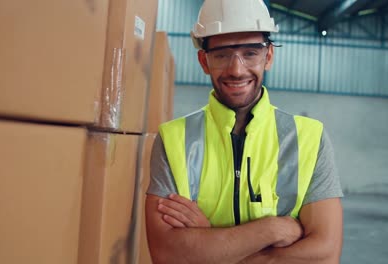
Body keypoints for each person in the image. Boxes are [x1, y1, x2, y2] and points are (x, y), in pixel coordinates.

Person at [145, 0, 343, 263]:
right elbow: (167, 254)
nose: (236, 70)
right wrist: (271, 230)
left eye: (250, 53)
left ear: (268, 56)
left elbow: (324, 256)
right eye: (222, 55)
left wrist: (211, 243)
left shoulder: (309, 138)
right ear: (204, 61)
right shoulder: (174, 140)